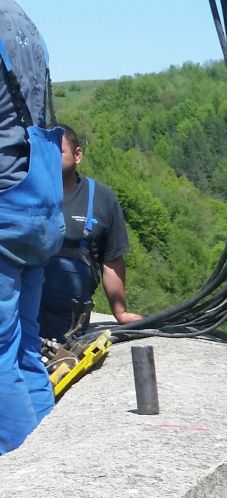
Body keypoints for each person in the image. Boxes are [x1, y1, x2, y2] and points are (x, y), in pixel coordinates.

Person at [0, 2, 65, 455]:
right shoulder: (23, 22)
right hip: (39, 207)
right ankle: (55, 455)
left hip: (4, 203)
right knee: (24, 344)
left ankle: (25, 476)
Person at [39, 124, 142, 341]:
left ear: (78, 155)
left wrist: (120, 312)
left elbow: (112, 261)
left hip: (69, 322)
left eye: (57, 152)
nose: (48, 159)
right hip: (25, 314)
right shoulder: (24, 195)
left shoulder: (102, 198)